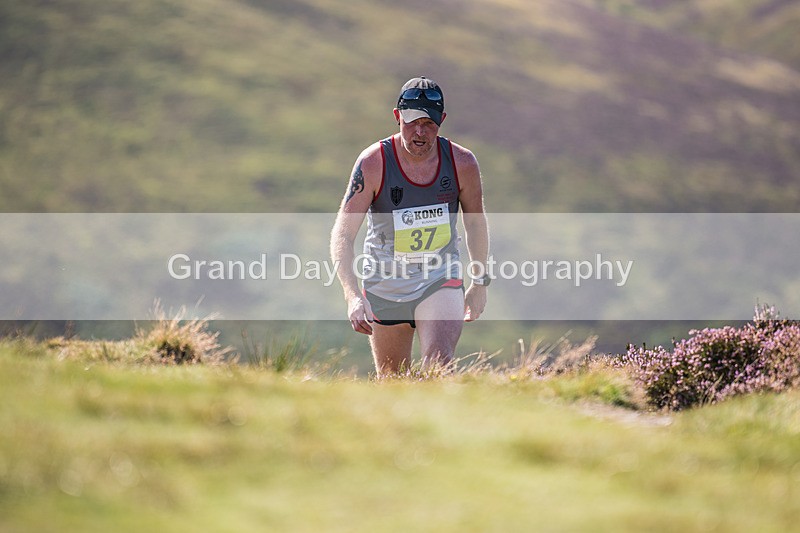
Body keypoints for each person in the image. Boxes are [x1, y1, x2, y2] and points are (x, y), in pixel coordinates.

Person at [330, 76, 490, 377]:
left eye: (429, 123)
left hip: (439, 278)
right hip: (385, 284)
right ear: (397, 117)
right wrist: (352, 296)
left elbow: (476, 225)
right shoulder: (374, 163)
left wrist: (479, 283)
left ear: (441, 121)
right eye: (412, 121)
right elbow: (343, 233)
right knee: (392, 382)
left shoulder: (462, 163)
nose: (419, 132)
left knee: (438, 370)